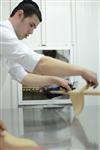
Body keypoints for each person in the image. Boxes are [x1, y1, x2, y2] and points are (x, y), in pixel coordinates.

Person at [0, 0, 98, 149]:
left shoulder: (8, 44)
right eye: (31, 25)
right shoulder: (3, 33)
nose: (31, 32)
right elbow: (39, 64)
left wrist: (54, 79)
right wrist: (82, 71)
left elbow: (22, 76)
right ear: (20, 15)